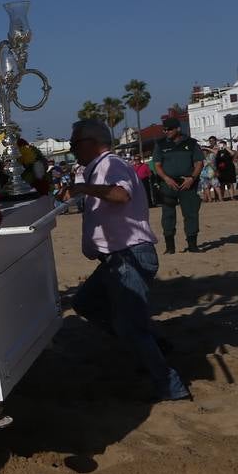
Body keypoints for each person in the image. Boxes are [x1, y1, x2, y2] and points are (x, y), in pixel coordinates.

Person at [69, 120, 190, 402]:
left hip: (129, 257)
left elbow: (121, 195)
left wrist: (84, 188)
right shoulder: (98, 168)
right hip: (117, 259)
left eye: (75, 144)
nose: (73, 149)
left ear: (91, 142)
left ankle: (170, 385)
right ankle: (149, 346)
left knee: (130, 327)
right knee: (85, 304)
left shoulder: (112, 164)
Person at [152, 118, 204, 253]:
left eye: (169, 129)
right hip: (168, 184)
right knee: (168, 215)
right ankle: (170, 247)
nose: (166, 131)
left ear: (178, 129)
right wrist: (166, 178)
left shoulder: (191, 143)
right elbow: (157, 165)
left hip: (188, 183)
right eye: (164, 129)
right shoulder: (160, 144)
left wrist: (192, 178)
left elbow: (199, 163)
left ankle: (192, 244)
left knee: (191, 214)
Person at [209, 136, 237, 201]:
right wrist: (217, 148)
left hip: (229, 169)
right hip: (220, 169)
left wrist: (226, 148)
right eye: (220, 144)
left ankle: (232, 197)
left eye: (222, 144)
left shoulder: (228, 150)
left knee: (230, 183)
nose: (221, 146)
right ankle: (222, 197)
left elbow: (233, 153)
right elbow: (214, 154)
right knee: (221, 184)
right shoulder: (217, 151)